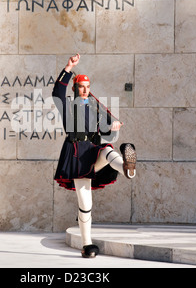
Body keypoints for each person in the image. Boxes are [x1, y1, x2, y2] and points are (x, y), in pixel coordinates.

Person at [52, 54, 137, 258]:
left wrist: (113, 126)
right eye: (81, 86)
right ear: (75, 87)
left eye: (87, 86)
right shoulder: (67, 106)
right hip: (76, 155)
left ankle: (126, 167)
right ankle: (87, 244)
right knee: (85, 203)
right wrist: (68, 67)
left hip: (93, 149)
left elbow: (107, 133)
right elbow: (57, 91)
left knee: (107, 150)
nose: (85, 89)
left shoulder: (95, 108)